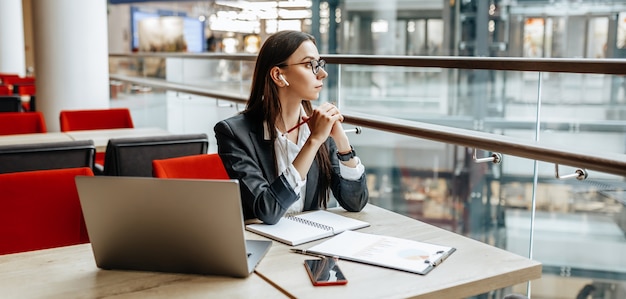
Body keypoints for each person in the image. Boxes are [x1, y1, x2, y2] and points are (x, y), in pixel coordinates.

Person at [214, 30, 368, 225]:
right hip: (265, 248)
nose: (322, 73)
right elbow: (267, 210)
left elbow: (355, 202)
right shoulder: (234, 133)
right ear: (278, 75)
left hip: (311, 242)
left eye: (319, 64)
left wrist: (342, 144)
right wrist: (312, 142)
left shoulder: (319, 125)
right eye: (309, 64)